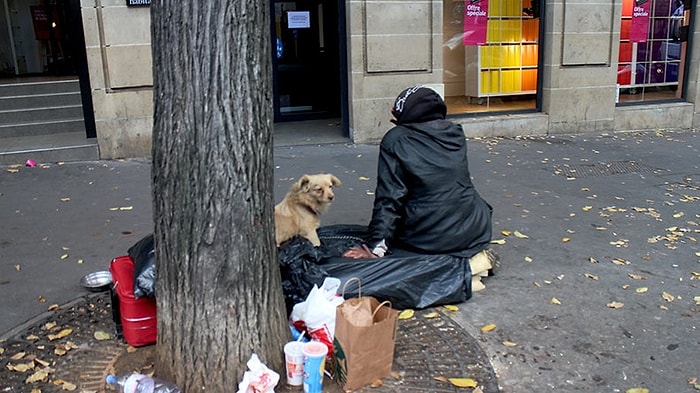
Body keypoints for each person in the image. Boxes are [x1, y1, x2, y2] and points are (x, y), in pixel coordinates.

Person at [343, 86, 493, 275]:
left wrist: (376, 248)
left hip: (430, 237)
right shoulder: (454, 133)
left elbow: (390, 197)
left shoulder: (396, 139)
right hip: (474, 229)